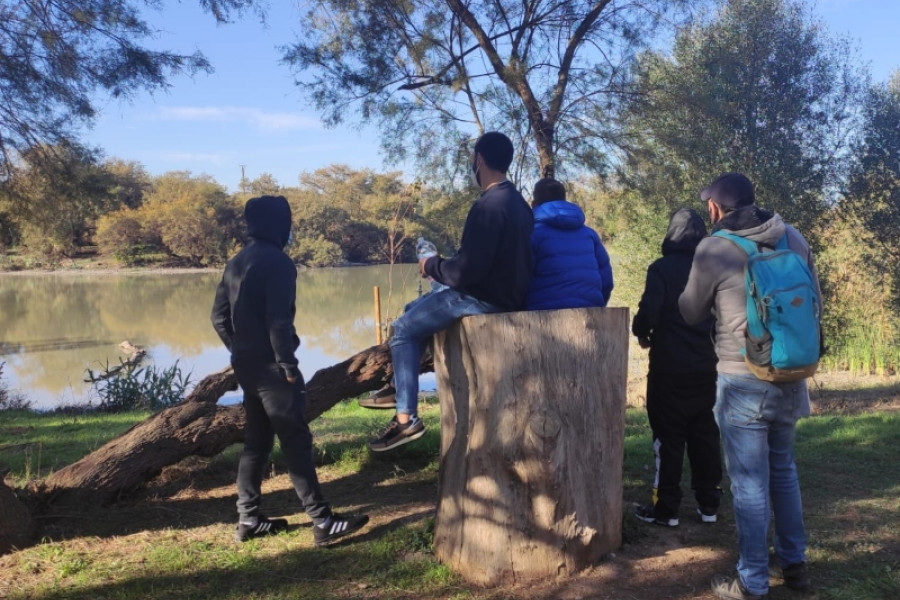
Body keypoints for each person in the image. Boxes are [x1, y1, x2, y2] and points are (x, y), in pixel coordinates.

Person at [679, 173, 819, 600]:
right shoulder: (792, 236)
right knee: (784, 473)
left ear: (717, 209)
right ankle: (795, 567)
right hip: (791, 372)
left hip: (743, 378)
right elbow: (813, 299)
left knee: (749, 483)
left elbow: (689, 311)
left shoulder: (714, 248)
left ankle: (753, 582)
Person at [211, 195, 369, 545]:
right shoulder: (279, 263)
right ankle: (322, 521)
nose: (291, 228)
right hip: (272, 370)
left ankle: (248, 519)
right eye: (288, 221)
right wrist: (287, 365)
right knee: (296, 440)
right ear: (279, 224)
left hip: (248, 367)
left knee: (257, 442)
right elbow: (278, 321)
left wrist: (239, 350)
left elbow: (218, 317)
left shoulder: (236, 262)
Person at [368, 131, 534, 452]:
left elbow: (466, 271)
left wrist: (431, 266)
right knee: (410, 310)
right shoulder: (518, 204)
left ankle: (406, 420)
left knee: (401, 330)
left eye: (474, 160)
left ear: (479, 160)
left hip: (482, 300)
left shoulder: (489, 206)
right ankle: (398, 386)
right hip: (507, 296)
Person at [632, 208, 721, 528]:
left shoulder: (661, 269)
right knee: (705, 436)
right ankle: (709, 505)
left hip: (668, 368)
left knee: (667, 437)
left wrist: (640, 331)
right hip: (706, 367)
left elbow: (649, 312)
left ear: (670, 234)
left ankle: (666, 508)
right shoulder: (712, 269)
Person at [524, 177, 613, 310]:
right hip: (590, 312)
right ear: (564, 199)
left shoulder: (532, 234)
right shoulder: (590, 235)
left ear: (533, 204)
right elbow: (606, 281)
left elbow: (519, 280)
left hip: (542, 316)